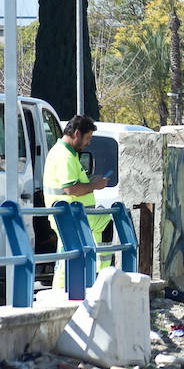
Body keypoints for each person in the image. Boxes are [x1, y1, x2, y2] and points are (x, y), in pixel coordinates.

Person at [42, 115, 108, 290]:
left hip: (71, 217)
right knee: (67, 258)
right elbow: (71, 189)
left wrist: (91, 183)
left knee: (68, 256)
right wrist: (94, 185)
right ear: (77, 134)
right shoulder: (65, 156)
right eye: (88, 138)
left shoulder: (66, 154)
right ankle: (69, 291)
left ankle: (92, 281)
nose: (88, 143)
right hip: (70, 217)